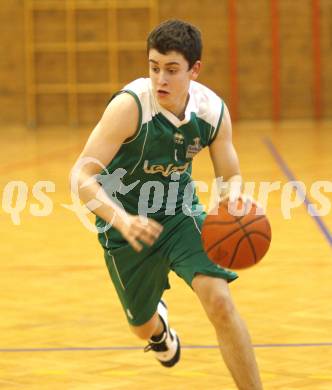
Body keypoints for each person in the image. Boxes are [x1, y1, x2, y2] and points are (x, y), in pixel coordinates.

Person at [73, 19, 263, 389]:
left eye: (172, 70)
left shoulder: (212, 112)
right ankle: (159, 332)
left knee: (220, 302)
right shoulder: (129, 107)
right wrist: (123, 220)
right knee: (139, 325)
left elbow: (230, 176)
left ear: (194, 70)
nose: (161, 79)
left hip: (180, 214)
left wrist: (234, 196)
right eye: (154, 67)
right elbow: (80, 177)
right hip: (124, 223)